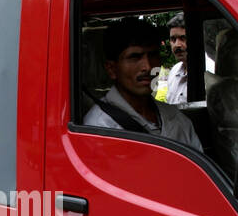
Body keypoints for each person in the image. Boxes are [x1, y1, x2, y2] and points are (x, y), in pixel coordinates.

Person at [83, 17, 202, 151]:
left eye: (153, 55)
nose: (148, 66)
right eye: (135, 57)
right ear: (112, 69)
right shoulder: (98, 128)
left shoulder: (176, 118)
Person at [164, 12, 189, 106]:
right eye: (173, 39)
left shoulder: (209, 70)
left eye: (183, 38)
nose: (177, 45)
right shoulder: (174, 71)